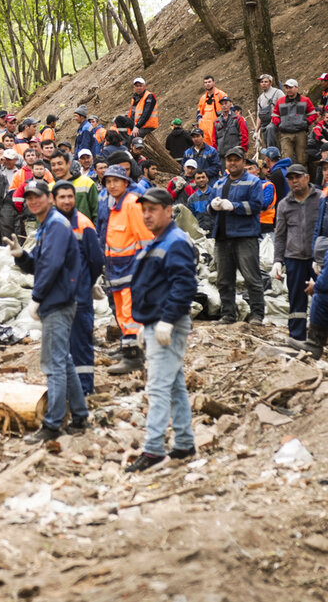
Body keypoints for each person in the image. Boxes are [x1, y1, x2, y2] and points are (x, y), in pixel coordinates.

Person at [4, 180, 87, 443]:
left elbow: (51, 266)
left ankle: (52, 424)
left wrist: (37, 297)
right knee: (64, 360)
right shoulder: (47, 225)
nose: (33, 201)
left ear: (49, 198)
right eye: (29, 198)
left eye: (38, 197)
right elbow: (39, 264)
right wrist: (21, 256)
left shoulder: (55, 226)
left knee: (53, 364)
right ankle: (80, 415)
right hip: (58, 298)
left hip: (58, 300)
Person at [125, 188, 198, 472]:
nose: (147, 214)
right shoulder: (159, 240)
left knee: (157, 388)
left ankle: (154, 450)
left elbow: (184, 285)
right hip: (157, 322)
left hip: (167, 324)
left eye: (153, 209)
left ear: (169, 210)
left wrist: (166, 320)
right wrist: (148, 323)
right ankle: (184, 442)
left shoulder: (175, 241)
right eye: (144, 210)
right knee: (175, 385)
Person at [100, 165, 155, 374]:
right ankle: (128, 349)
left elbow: (145, 239)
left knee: (129, 314)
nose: (112, 185)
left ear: (125, 182)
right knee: (122, 314)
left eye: (116, 181)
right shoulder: (113, 204)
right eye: (108, 181)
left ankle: (134, 357)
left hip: (131, 268)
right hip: (116, 269)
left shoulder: (132, 204)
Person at [51, 180, 104, 395]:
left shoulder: (84, 224)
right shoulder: (50, 224)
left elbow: (95, 261)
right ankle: (65, 389)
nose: (66, 201)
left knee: (81, 345)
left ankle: (84, 390)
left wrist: (86, 284)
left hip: (79, 297)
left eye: (69, 197)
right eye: (62, 197)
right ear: (54, 200)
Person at [210, 148, 265, 323]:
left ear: (243, 161)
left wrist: (234, 206)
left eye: (236, 160)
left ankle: (257, 314)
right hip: (222, 236)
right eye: (229, 160)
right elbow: (209, 210)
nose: (232, 163)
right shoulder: (219, 184)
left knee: (251, 278)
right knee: (224, 279)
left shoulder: (253, 182)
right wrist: (212, 206)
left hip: (245, 236)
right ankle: (228, 314)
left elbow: (257, 206)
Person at [272, 164, 319, 342]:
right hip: (294, 259)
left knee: (324, 296)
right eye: (290, 178)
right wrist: (278, 260)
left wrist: (323, 257)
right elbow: (280, 235)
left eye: (297, 177)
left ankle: (325, 335)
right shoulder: (284, 204)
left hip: (317, 259)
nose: (294, 181)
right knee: (296, 301)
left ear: (306, 177)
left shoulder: (320, 199)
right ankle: (297, 337)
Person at [272, 79, 318, 166]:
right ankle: (288, 178)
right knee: (286, 159)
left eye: (290, 87)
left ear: (297, 88)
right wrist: (279, 124)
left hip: (300, 133)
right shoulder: (280, 101)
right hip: (285, 134)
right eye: (286, 88)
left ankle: (304, 177)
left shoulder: (305, 100)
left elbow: (313, 114)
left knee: (302, 159)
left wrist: (306, 123)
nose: (288, 90)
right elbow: (274, 116)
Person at [256, 74, 285, 151]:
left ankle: (271, 152)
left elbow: (285, 106)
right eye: (262, 82)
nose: (263, 83)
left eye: (266, 81)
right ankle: (269, 154)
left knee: (270, 128)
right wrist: (256, 131)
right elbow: (259, 115)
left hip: (277, 121)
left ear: (271, 83)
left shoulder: (278, 92)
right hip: (264, 123)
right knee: (266, 133)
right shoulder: (260, 98)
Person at [196, 75, 227, 148]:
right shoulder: (203, 98)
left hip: (217, 126)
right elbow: (199, 111)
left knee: (219, 147)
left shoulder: (221, 94)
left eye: (209, 82)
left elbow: (230, 108)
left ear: (214, 83)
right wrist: (199, 121)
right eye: (205, 82)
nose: (207, 84)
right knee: (207, 149)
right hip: (205, 128)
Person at [184, 169, 217, 234]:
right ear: (195, 181)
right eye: (198, 178)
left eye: (203, 177)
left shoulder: (216, 194)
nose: (201, 180)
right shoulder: (191, 199)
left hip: (216, 233)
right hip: (201, 235)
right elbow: (190, 219)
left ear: (207, 179)